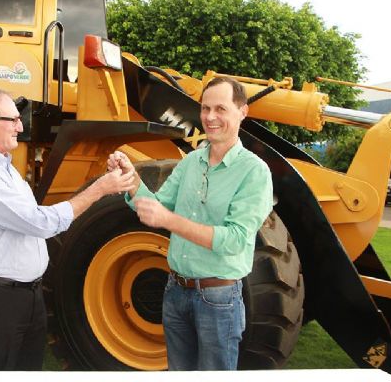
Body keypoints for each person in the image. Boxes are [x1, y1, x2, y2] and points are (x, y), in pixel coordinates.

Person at [0, 87, 135, 371]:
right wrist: (99, 189)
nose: (19, 126)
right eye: (12, 119)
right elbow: (39, 222)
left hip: (27, 297)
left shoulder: (6, 168)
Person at [107, 77, 273, 370]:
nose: (210, 117)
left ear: (242, 112)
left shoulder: (254, 171)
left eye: (220, 108)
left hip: (219, 300)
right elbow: (157, 206)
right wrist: (130, 177)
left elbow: (234, 240)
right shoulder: (190, 162)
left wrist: (170, 221)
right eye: (205, 108)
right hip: (175, 292)